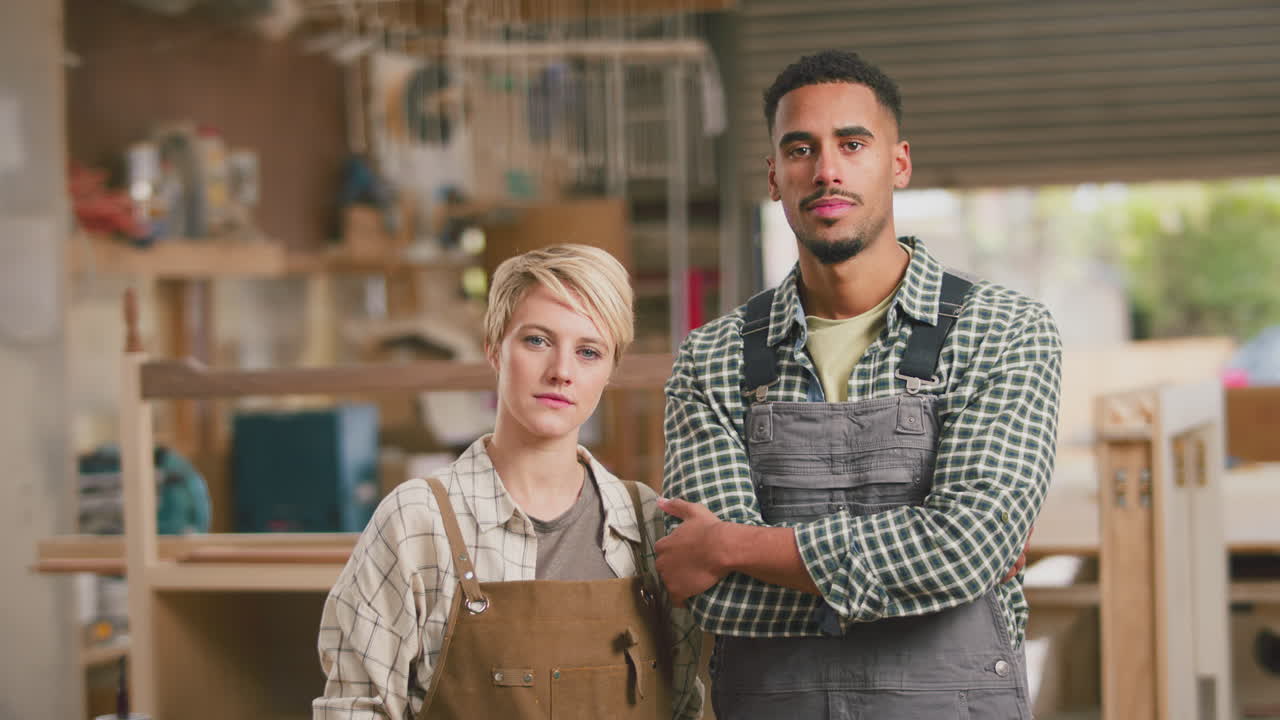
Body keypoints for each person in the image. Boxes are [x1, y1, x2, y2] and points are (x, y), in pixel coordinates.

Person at [655, 49, 1061, 719]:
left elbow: (966, 548)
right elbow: (715, 596)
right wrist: (925, 570)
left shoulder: (1002, 330)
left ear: (898, 162)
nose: (826, 171)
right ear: (773, 176)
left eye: (851, 143)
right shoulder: (713, 357)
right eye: (800, 149)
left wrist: (736, 546)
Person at [314, 244, 704, 719]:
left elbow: (683, 702)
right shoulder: (418, 522)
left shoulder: (645, 523)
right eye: (537, 340)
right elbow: (353, 709)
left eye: (588, 351)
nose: (561, 371)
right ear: (494, 348)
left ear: (609, 371)